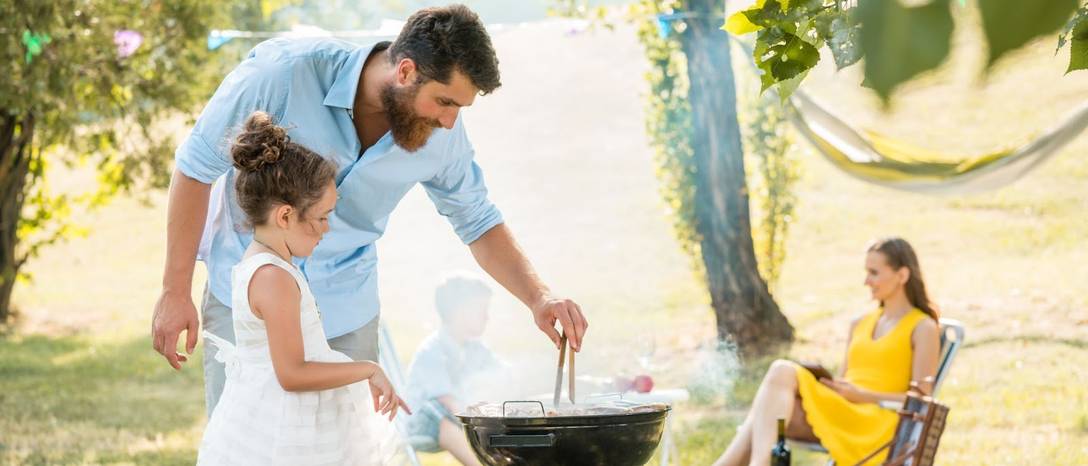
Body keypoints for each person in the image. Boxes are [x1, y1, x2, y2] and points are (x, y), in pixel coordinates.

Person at [149, 4, 588, 416]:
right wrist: (174, 290)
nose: (450, 122)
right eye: (445, 102)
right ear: (405, 71)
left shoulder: (443, 134)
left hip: (345, 312)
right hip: (246, 305)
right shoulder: (281, 75)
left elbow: (477, 219)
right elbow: (194, 170)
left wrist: (539, 297)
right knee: (245, 445)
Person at [197, 112, 410, 465]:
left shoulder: (266, 265)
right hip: (285, 430)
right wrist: (368, 369)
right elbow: (292, 373)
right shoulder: (273, 278)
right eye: (322, 217)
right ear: (284, 216)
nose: (326, 229)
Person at [712, 237, 941, 466]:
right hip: (842, 409)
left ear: (902, 275)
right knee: (768, 410)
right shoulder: (860, 323)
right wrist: (832, 385)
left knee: (775, 387)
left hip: (875, 422)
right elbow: (845, 378)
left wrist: (864, 396)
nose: (866, 281)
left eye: (874, 273)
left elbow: (922, 402)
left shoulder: (922, 327)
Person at [403, 271, 507, 466]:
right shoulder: (432, 350)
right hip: (426, 424)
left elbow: (503, 375)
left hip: (462, 421)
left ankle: (500, 460)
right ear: (458, 312)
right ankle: (478, 463)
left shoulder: (477, 348)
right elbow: (448, 402)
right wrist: (475, 422)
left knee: (493, 407)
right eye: (481, 310)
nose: (487, 317)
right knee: (434, 409)